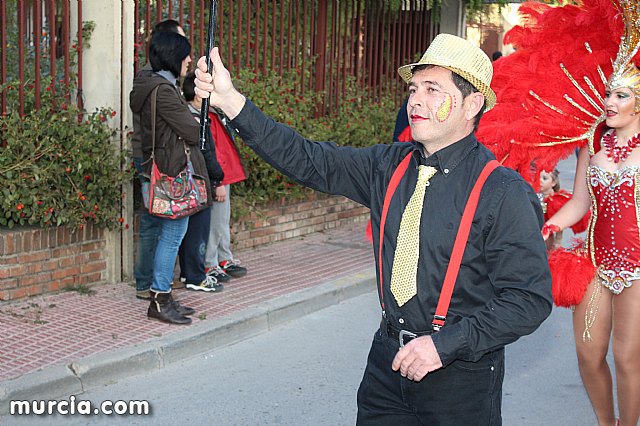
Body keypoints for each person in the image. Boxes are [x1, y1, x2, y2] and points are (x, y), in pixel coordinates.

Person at [194, 33, 552, 424]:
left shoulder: (503, 192)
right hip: (386, 368)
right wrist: (230, 100)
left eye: (433, 90)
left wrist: (444, 346)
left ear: (472, 103)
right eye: (414, 88)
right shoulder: (387, 166)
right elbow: (307, 159)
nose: (415, 100)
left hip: (460, 381)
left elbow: (527, 299)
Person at [542, 69, 640, 426]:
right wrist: (551, 225)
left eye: (621, 96)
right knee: (588, 353)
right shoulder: (594, 142)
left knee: (627, 357)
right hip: (595, 262)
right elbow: (581, 202)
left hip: (639, 269)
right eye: (608, 95)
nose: (610, 103)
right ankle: (606, 422)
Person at [130, 31, 213, 324]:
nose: (189, 60)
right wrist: (198, 114)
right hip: (170, 169)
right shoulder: (164, 90)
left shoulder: (150, 83)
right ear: (173, 55)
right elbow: (192, 133)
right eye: (186, 54)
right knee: (173, 234)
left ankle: (161, 294)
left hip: (160, 166)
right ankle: (159, 298)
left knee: (166, 232)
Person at [131, 19, 185, 301]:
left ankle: (148, 281)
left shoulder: (145, 78)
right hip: (156, 158)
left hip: (144, 156)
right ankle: (153, 283)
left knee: (152, 223)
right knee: (163, 224)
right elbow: (182, 126)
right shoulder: (160, 84)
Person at [177, 72, 225, 293]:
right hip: (198, 184)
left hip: (184, 183)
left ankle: (188, 273)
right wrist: (218, 177)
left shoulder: (182, 115)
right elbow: (207, 153)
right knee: (198, 232)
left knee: (186, 233)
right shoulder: (198, 120)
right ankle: (196, 277)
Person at [537, 168, 589, 250]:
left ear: (553, 182)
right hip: (537, 227)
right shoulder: (535, 195)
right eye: (538, 178)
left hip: (548, 230)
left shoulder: (555, 201)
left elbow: (558, 224)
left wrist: (558, 240)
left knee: (548, 246)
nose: (540, 181)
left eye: (544, 178)